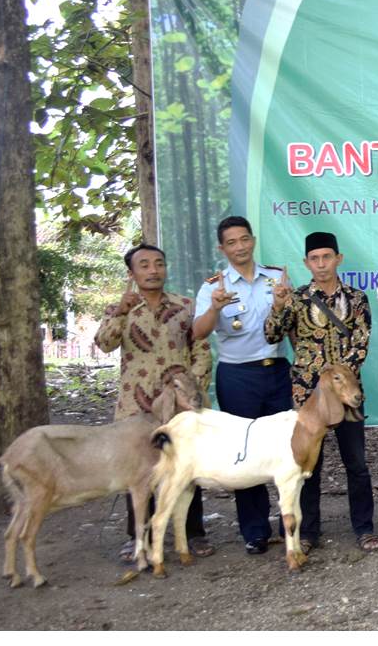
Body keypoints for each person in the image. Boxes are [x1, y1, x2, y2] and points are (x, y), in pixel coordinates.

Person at [95, 244, 213, 562]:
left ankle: (193, 533)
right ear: (132, 273)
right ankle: (138, 536)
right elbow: (104, 344)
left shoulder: (186, 307)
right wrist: (120, 311)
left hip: (179, 405)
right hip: (137, 406)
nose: (152, 270)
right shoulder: (121, 309)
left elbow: (201, 350)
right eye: (144, 265)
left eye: (158, 263)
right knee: (139, 471)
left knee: (187, 465)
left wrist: (194, 392)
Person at [265, 231, 378, 553]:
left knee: (356, 462)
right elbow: (271, 334)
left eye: (327, 257)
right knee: (306, 465)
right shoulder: (297, 299)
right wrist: (278, 305)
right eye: (314, 259)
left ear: (338, 259)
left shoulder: (356, 299)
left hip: (347, 395)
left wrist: (338, 377)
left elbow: (361, 343)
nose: (321, 264)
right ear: (306, 262)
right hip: (307, 396)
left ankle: (364, 528)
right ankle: (307, 531)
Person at [191, 216, 292, 555]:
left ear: (253, 240)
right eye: (231, 242)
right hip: (237, 376)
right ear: (223, 248)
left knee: (285, 450)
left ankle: (292, 525)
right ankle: (255, 531)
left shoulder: (277, 277)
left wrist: (283, 305)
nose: (239, 247)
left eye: (244, 239)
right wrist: (215, 308)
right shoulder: (213, 287)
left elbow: (293, 323)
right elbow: (199, 332)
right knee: (246, 453)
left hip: (277, 371)